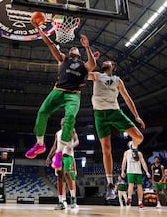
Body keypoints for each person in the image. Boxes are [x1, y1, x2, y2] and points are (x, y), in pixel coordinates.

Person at [25, 16, 96, 171]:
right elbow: (50, 44)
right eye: (71, 48)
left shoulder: (83, 65)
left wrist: (87, 47)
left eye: (75, 49)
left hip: (74, 95)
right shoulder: (63, 59)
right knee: (42, 112)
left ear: (79, 53)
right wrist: (38, 29)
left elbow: (92, 64)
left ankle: (58, 153)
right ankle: (40, 144)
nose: (72, 49)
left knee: (70, 118)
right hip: (58, 90)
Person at [87, 60, 145, 199]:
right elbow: (82, 73)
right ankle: (110, 184)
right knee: (106, 149)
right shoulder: (96, 75)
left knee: (139, 137)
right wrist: (90, 58)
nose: (105, 62)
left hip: (115, 112)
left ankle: (133, 148)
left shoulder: (117, 80)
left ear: (114, 66)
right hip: (100, 114)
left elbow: (127, 98)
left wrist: (136, 116)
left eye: (108, 61)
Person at [46, 118, 79, 210]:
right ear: (60, 123)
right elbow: (54, 146)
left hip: (68, 156)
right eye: (62, 121)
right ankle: (61, 202)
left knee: (67, 173)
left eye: (65, 121)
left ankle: (73, 199)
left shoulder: (72, 130)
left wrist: (71, 145)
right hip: (58, 157)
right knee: (60, 178)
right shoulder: (58, 133)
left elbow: (77, 141)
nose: (63, 121)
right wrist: (49, 156)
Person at [121, 143, 150, 209]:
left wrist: (147, 171)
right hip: (133, 171)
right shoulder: (129, 153)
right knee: (135, 186)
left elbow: (143, 163)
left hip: (135, 172)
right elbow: (124, 162)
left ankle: (134, 200)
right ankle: (134, 200)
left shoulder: (137, 153)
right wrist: (122, 170)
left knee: (135, 186)